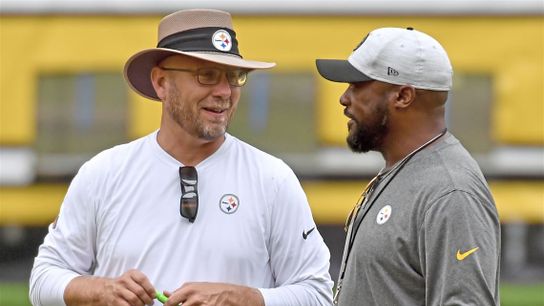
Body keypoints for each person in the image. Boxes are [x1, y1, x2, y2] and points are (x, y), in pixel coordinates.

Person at [30, 9, 333, 306]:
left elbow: (318, 294)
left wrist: (244, 298)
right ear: (161, 83)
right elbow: (43, 279)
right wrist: (100, 291)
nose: (225, 91)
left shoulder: (272, 179)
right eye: (207, 75)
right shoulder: (103, 173)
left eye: (234, 76)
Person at [315, 27, 501, 305]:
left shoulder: (452, 192)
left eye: (357, 85)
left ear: (402, 96)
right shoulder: (402, 167)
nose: (344, 98)